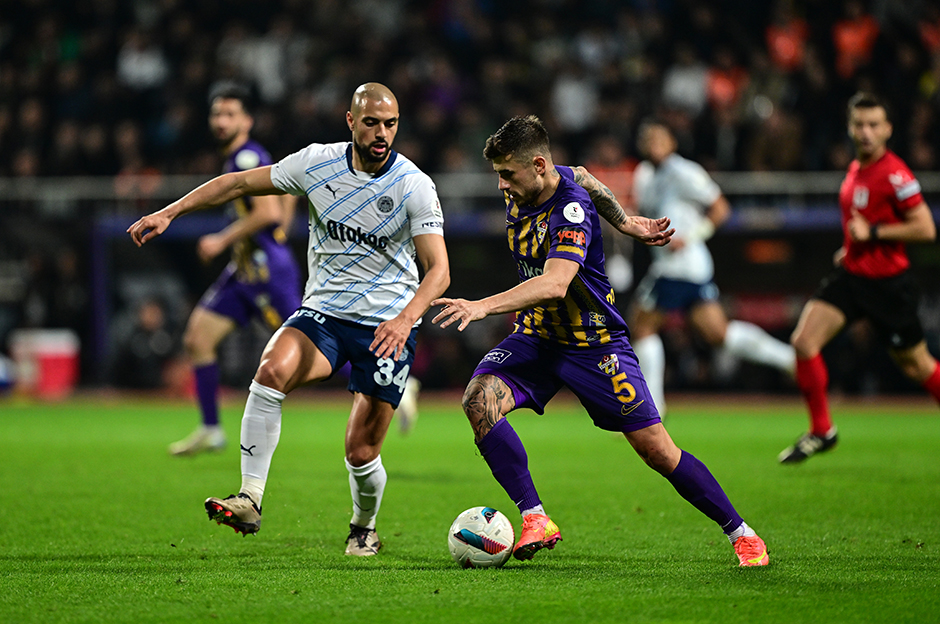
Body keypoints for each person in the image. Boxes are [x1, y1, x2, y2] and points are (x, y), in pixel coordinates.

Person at [431, 115, 769, 567]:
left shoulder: (568, 209)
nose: (501, 186)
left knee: (658, 450)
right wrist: (626, 222)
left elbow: (555, 282)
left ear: (536, 165)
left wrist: (481, 306)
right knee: (478, 400)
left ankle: (742, 533)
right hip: (537, 336)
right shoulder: (553, 178)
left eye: (507, 174)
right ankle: (535, 518)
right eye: (498, 175)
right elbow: (589, 177)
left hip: (594, 345)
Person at [128, 83, 450, 556]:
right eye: (372, 123)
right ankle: (250, 497)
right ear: (350, 121)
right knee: (270, 369)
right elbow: (237, 185)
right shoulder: (316, 163)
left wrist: (405, 320)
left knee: (361, 453)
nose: (382, 133)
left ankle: (364, 526)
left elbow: (438, 271)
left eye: (391, 124)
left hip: (386, 326)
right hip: (323, 314)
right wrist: (170, 211)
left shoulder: (414, 184)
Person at [782, 92, 939, 463]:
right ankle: (822, 430)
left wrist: (875, 234)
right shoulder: (856, 169)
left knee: (917, 365)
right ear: (850, 128)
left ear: (887, 130)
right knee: (804, 342)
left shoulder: (896, 174)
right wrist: (851, 246)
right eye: (859, 125)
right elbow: (859, 224)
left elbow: (926, 229)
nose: (866, 132)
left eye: (873, 125)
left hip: (888, 286)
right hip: (852, 276)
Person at [166, 84, 302, 457]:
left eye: (230, 114)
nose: (221, 121)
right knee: (198, 338)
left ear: (247, 120)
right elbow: (289, 195)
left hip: (267, 273)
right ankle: (210, 428)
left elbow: (268, 212)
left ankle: (395, 383)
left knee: (314, 347)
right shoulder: (245, 156)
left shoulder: (245, 157)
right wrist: (281, 230)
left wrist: (221, 239)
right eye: (217, 114)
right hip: (243, 272)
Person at [630, 119, 795, 416]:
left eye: (658, 138)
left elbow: (721, 208)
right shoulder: (643, 175)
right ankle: (788, 358)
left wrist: (690, 237)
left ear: (672, 143)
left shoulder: (684, 172)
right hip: (680, 266)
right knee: (718, 333)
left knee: (642, 326)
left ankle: (652, 406)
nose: (652, 144)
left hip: (679, 265)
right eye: (647, 139)